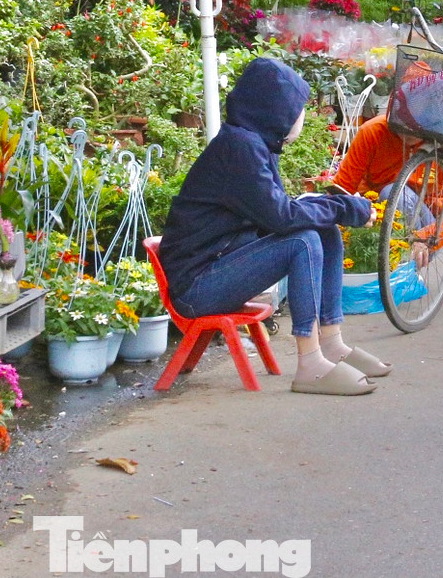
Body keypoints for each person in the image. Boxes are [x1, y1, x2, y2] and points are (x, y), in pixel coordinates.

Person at [159, 57, 387, 396]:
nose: (301, 116)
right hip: (196, 288)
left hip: (215, 265)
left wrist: (336, 211)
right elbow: (283, 218)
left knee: (323, 230)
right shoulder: (240, 149)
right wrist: (344, 207)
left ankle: (332, 342)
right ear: (273, 109)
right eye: (296, 108)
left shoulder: (251, 144)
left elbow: (277, 213)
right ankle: (309, 363)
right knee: (303, 240)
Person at [329, 111, 443, 265]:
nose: (408, 132)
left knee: (394, 193)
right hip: (374, 216)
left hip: (427, 227)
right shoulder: (374, 131)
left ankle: (407, 265)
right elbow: (342, 189)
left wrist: (426, 235)